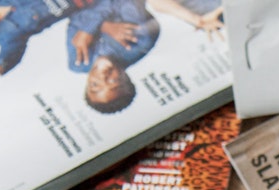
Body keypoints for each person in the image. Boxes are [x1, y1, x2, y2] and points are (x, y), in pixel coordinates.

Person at [67, 0, 224, 113]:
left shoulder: (78, 63)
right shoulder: (139, 42)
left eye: (95, 85)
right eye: (113, 81)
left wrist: (94, 26)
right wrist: (98, 27)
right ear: (125, 77)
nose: (102, 76)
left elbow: (75, 17)